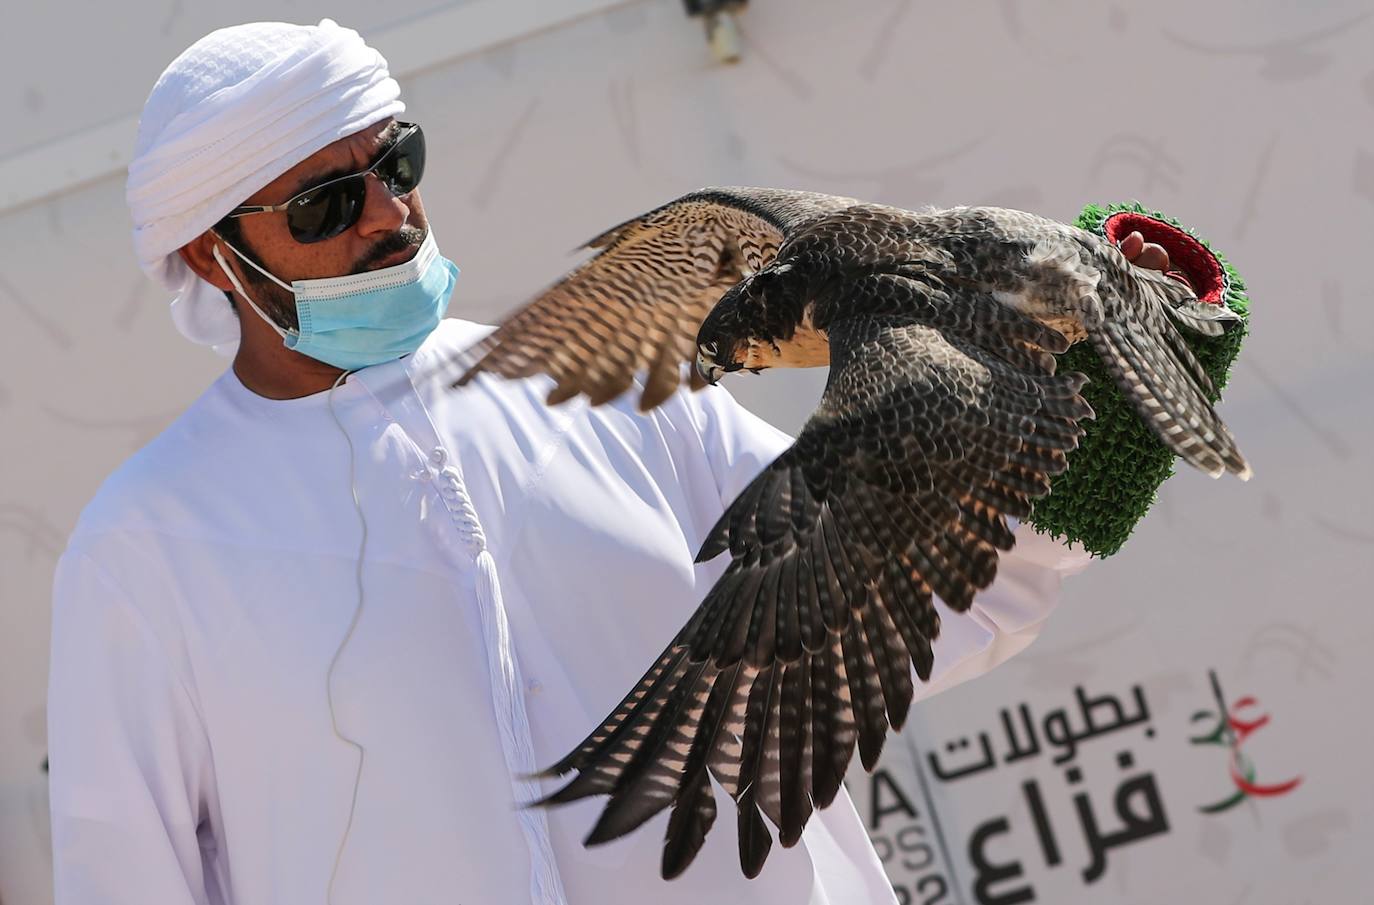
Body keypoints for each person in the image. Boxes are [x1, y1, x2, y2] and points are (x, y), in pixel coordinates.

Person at [47, 18, 1176, 905]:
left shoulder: (601, 383)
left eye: (399, 161)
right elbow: (127, 873)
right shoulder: (150, 544)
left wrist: (1098, 409)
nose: (390, 213)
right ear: (210, 249)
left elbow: (910, 593)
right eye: (329, 202)